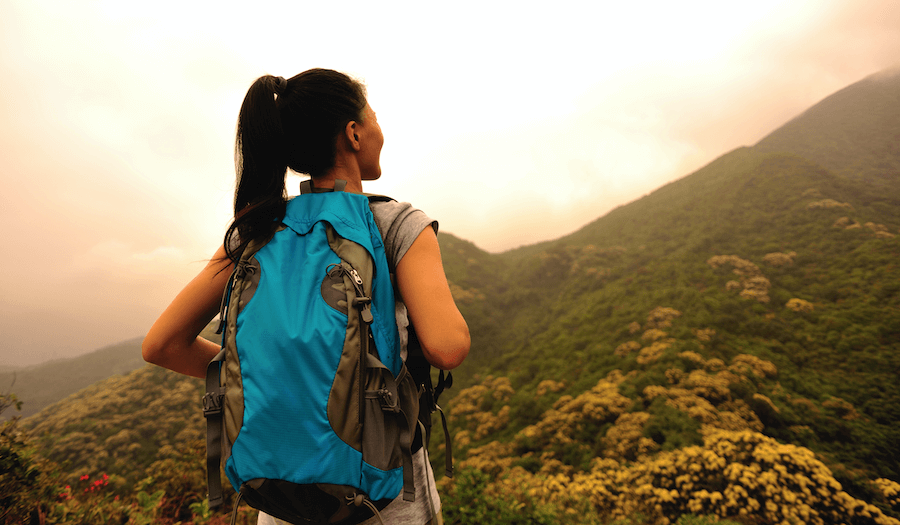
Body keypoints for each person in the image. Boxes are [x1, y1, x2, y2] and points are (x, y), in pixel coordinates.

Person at [142, 68, 470, 525]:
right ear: (354, 133)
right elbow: (448, 347)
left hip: (279, 497)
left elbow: (161, 345)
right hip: (383, 499)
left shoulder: (256, 230)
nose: (379, 130)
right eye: (373, 118)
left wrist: (263, 378)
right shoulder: (396, 224)